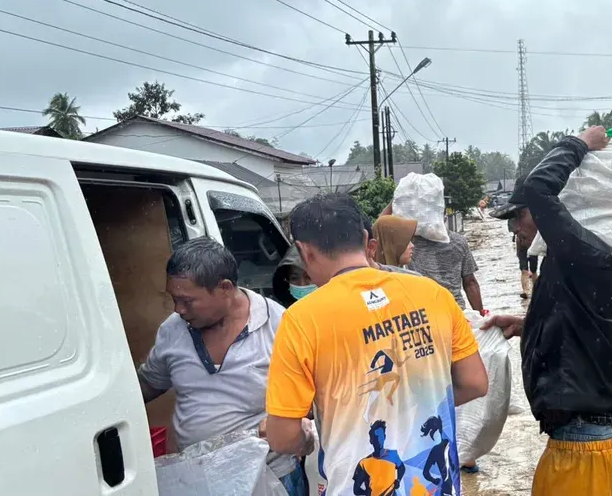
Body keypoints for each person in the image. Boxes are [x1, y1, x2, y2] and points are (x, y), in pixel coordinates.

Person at [264, 193, 488, 496]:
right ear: (366, 238)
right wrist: (416, 409)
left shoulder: (301, 320)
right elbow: (475, 383)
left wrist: (311, 437)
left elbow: (282, 438)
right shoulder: (432, 295)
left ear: (304, 251)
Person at [487, 126, 612, 496]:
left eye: (518, 217)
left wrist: (579, 144)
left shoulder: (584, 251)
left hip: (580, 444)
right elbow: (584, 330)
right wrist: (528, 325)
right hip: (591, 431)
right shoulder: (583, 257)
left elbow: (539, 188)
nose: (515, 230)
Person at [137, 237, 308, 496]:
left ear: (225, 288)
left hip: (269, 477)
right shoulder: (172, 330)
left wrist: (286, 423)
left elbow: (314, 395)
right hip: (198, 480)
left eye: (188, 300)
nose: (178, 309)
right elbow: (148, 383)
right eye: (173, 299)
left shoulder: (278, 325)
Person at [410, 226, 485, 313]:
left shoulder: (408, 244)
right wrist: (481, 316)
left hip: (423, 314)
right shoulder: (458, 241)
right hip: (456, 309)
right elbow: (470, 283)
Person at [491, 175, 539, 299]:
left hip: (531, 245)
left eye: (522, 215)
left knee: (533, 271)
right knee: (524, 269)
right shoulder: (518, 227)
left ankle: (536, 292)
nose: (517, 228)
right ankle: (528, 292)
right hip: (522, 245)